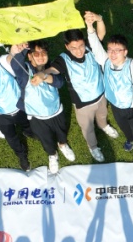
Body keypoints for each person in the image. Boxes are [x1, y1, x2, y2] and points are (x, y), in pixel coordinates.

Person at [51, 15, 120, 162]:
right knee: (87, 128)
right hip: (83, 104)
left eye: (81, 46)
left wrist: (99, 19)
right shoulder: (63, 59)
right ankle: (93, 147)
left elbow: (100, 34)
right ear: (67, 47)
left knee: (102, 114)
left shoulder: (90, 47)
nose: (79, 51)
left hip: (101, 94)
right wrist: (43, 74)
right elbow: (53, 70)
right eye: (73, 48)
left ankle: (103, 126)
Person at [92, 26, 133, 165]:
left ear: (125, 52)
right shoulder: (105, 61)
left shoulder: (132, 66)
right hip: (115, 105)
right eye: (110, 50)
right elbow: (95, 46)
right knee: (123, 126)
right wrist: (90, 28)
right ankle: (130, 139)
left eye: (117, 50)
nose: (113, 54)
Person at [18, 40, 72, 173]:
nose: (41, 56)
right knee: (45, 139)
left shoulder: (52, 67)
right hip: (37, 117)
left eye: (43, 53)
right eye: (36, 54)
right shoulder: (24, 70)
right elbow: (14, 63)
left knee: (62, 132)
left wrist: (44, 76)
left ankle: (63, 145)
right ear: (29, 56)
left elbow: (59, 83)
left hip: (56, 111)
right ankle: (52, 155)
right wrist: (21, 49)